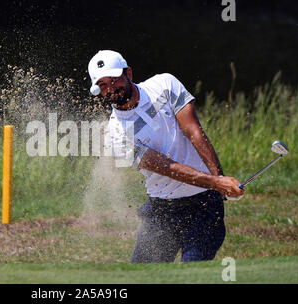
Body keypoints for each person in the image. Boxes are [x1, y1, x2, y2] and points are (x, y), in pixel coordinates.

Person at [87, 50, 245, 263]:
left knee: (193, 272)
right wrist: (217, 183)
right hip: (162, 212)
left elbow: (194, 132)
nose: (111, 89)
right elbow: (168, 167)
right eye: (103, 85)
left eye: (114, 80)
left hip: (205, 205)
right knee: (142, 277)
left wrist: (219, 180)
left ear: (129, 73)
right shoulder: (116, 134)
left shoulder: (165, 85)